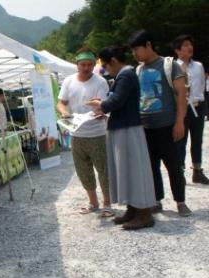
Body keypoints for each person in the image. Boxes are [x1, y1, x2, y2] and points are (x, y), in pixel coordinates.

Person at [87, 46, 156, 229]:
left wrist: (99, 104)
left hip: (128, 129)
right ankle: (133, 209)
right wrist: (104, 106)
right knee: (127, 169)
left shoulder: (125, 75)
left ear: (114, 62)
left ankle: (144, 213)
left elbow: (115, 101)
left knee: (134, 170)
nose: (107, 70)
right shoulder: (125, 75)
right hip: (124, 127)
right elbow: (118, 101)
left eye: (107, 67)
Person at [129, 30, 191, 216]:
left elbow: (182, 94)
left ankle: (181, 202)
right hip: (146, 127)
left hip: (167, 125)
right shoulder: (138, 70)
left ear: (148, 45)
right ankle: (157, 200)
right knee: (151, 166)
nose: (135, 54)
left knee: (173, 165)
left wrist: (179, 122)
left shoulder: (169, 65)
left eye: (137, 49)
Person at [57, 48, 112, 217]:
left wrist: (99, 110)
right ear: (77, 65)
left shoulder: (101, 82)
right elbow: (61, 102)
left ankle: (107, 204)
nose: (86, 68)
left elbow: (103, 104)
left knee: (103, 170)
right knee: (83, 170)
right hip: (76, 133)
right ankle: (93, 202)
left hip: (97, 133)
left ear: (94, 64)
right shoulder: (68, 81)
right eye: (83, 65)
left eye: (89, 65)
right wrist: (64, 112)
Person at [173, 35, 209, 184]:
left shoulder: (198, 66)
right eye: (185, 45)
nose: (189, 47)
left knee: (197, 139)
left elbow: (201, 85)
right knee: (180, 140)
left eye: (190, 44)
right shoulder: (173, 66)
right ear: (177, 50)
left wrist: (199, 100)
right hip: (182, 108)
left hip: (198, 106)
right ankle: (179, 170)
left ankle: (197, 170)